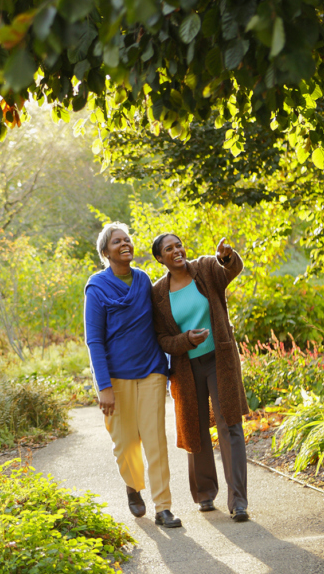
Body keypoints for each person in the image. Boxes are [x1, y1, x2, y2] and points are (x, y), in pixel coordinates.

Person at [83, 223, 181, 528]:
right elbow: (94, 340)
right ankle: (133, 485)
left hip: (151, 370)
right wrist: (104, 388)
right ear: (105, 252)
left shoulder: (142, 280)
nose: (124, 244)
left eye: (127, 239)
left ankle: (163, 507)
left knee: (155, 441)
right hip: (117, 378)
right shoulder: (96, 288)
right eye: (117, 241)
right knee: (125, 443)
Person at [150, 233, 251, 522]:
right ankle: (205, 494)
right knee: (195, 429)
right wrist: (186, 340)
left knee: (229, 425)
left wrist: (227, 257)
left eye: (178, 245)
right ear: (160, 258)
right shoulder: (158, 293)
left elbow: (230, 271)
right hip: (186, 369)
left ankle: (238, 500)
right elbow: (163, 339)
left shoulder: (206, 268)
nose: (177, 251)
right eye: (169, 249)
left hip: (220, 362)